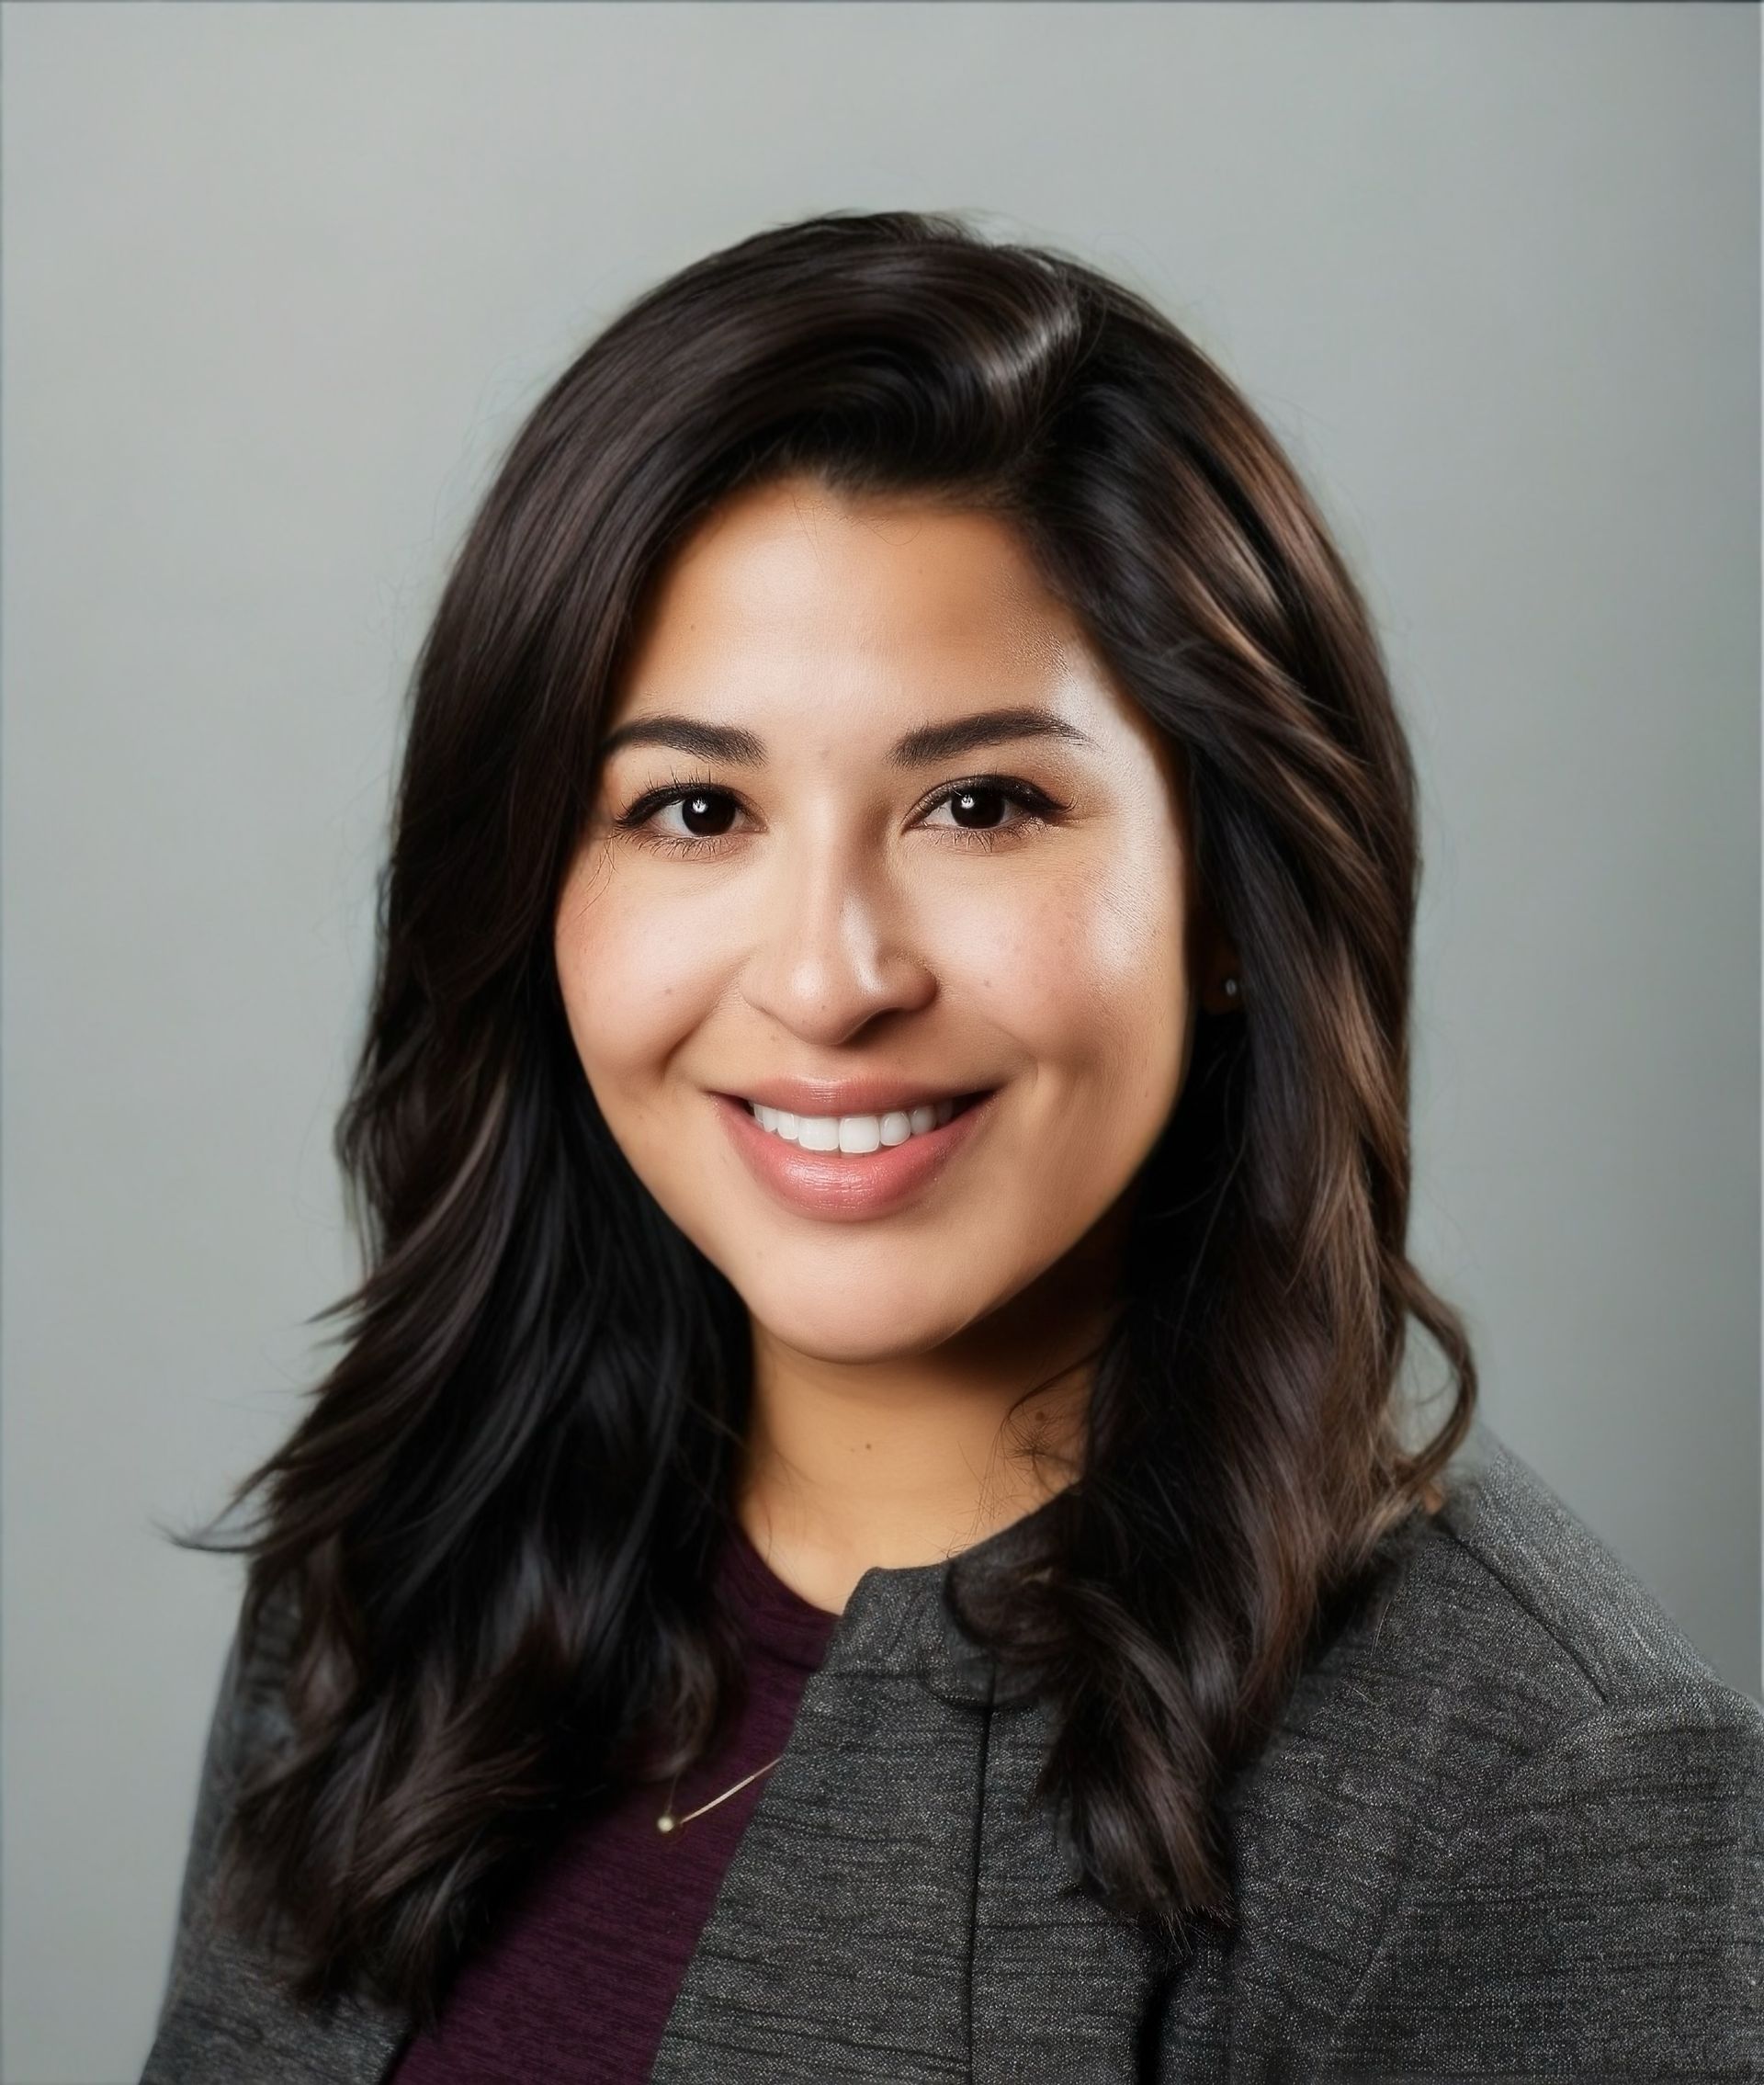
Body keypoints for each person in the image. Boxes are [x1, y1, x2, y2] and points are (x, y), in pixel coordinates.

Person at [142, 209, 1763, 2084]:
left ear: (1229, 902)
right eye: (691, 807)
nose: (831, 979)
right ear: (532, 893)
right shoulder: (389, 1572)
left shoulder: (1544, 1790)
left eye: (982, 803)